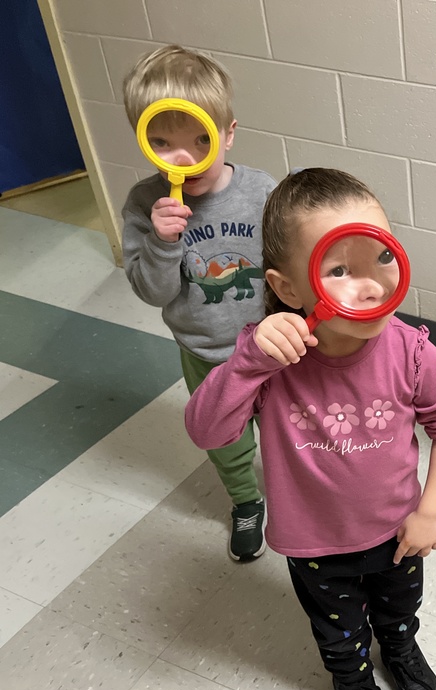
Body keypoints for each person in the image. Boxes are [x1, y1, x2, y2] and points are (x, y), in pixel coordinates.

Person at [184, 168, 436, 690]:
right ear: (288, 288)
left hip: (399, 532)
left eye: (381, 259)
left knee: (399, 607)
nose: (368, 287)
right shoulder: (268, 357)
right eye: (338, 270)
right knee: (336, 629)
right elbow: (205, 430)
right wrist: (248, 366)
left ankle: (398, 647)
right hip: (315, 544)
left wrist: (431, 512)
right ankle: (352, 678)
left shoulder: (413, 353)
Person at [121, 44, 276, 561]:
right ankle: (246, 501)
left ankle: (293, 490)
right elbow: (151, 292)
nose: (183, 158)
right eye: (162, 142)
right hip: (204, 353)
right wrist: (163, 243)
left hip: (272, 348)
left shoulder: (261, 191)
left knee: (285, 429)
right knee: (226, 441)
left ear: (229, 133)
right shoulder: (146, 204)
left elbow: (291, 263)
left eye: (200, 140)